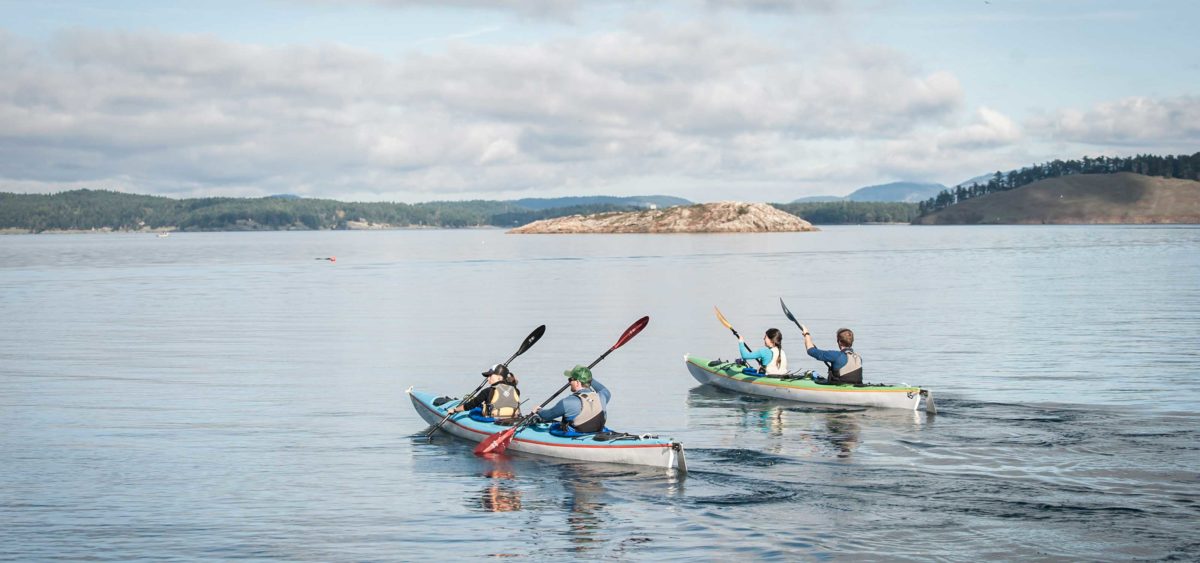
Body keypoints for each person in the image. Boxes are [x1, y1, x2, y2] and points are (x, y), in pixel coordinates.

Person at [533, 365, 609, 433]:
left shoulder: (567, 402)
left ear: (578, 382)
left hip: (577, 434)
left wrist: (538, 411)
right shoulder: (602, 396)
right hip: (597, 431)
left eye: (570, 380)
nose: (569, 382)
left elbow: (547, 416)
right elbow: (603, 389)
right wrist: (587, 377)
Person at [448, 364, 521, 420]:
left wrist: (455, 410)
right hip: (512, 419)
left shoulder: (488, 391)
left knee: (475, 410)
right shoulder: (516, 390)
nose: (488, 378)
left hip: (492, 419)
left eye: (490, 375)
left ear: (499, 377)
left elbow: (471, 405)